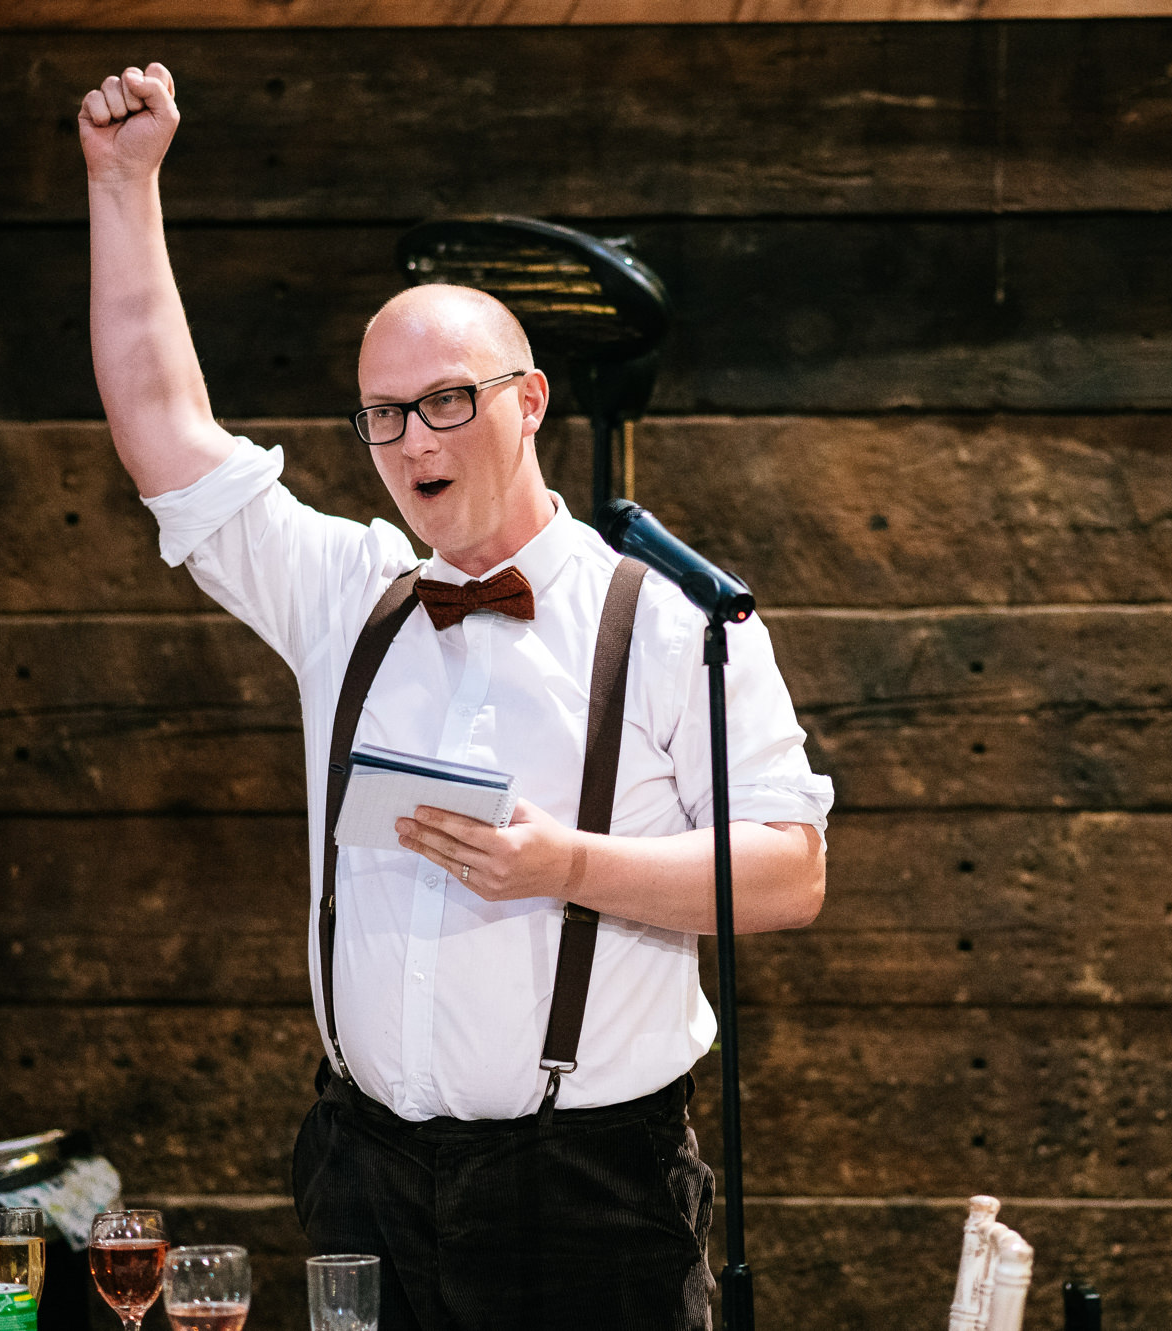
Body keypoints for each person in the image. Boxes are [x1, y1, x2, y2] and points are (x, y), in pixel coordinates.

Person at [77, 64, 834, 1331]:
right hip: (362, 1177)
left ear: (529, 401)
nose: (415, 443)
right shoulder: (345, 591)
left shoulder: (662, 615)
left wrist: (567, 862)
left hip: (590, 1193)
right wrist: (121, 182)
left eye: (446, 402)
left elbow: (789, 869)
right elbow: (162, 423)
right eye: (384, 416)